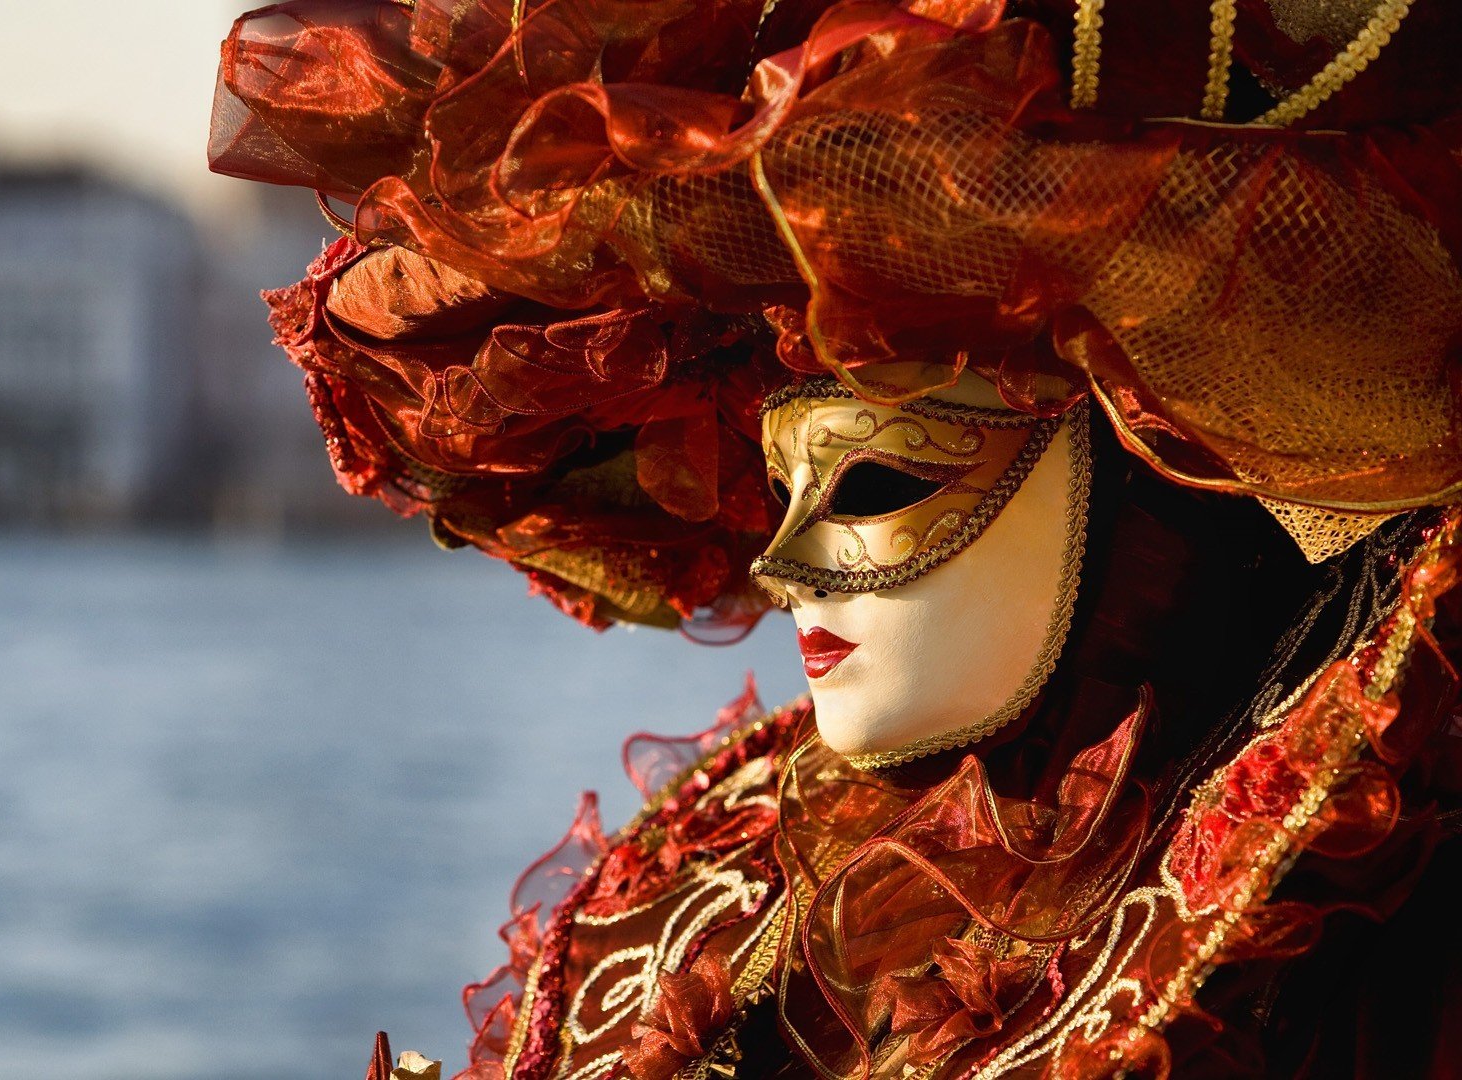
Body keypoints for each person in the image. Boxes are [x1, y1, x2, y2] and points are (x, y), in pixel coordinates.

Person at [209, 1, 1462, 1075]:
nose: (778, 564)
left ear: (1157, 465)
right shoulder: (700, 896)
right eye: (776, 481)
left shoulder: (1332, 908)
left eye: (873, 481)